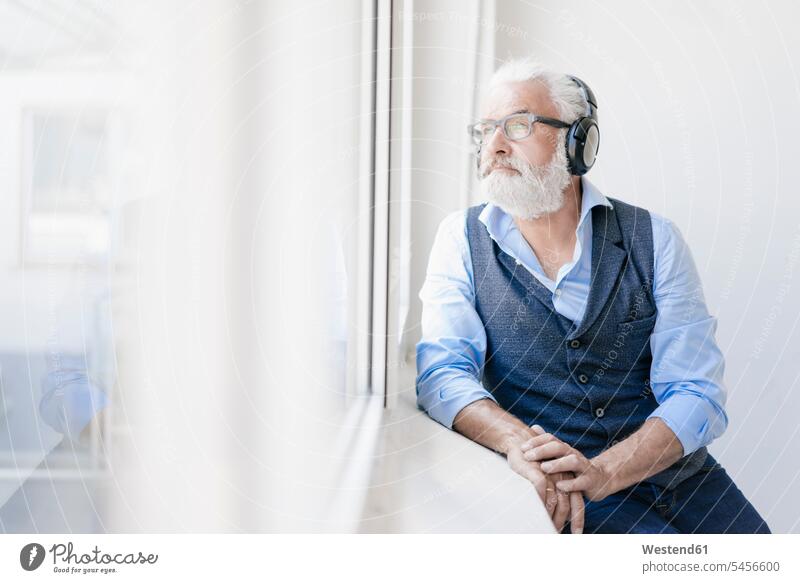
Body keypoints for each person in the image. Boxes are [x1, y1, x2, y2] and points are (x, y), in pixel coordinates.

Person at [415, 57, 771, 534]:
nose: (494, 147)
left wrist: (607, 471)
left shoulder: (656, 239)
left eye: (517, 126)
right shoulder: (458, 240)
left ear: (577, 142)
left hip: (682, 481)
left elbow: (697, 390)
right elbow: (442, 374)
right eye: (485, 130)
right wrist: (522, 444)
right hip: (570, 495)